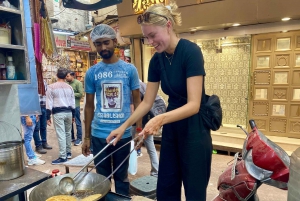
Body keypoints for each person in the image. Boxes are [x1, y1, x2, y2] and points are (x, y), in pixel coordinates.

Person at [107, 2, 212, 201]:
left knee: (195, 191)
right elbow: (146, 102)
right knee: (166, 186)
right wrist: (124, 127)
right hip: (172, 128)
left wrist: (160, 119)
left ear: (169, 25)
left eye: (153, 35)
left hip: (194, 128)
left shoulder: (191, 52)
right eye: (146, 37)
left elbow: (194, 104)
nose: (150, 41)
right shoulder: (157, 60)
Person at [82, 24, 142, 197]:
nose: (103, 48)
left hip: (122, 135)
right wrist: (86, 137)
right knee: (101, 179)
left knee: (121, 177)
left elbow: (137, 101)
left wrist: (138, 129)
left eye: (106, 42)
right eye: (98, 44)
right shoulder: (92, 73)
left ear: (115, 41)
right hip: (99, 134)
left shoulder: (129, 70)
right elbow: (89, 106)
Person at [131, 80, 165, 177]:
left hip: (142, 120)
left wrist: (138, 129)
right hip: (149, 119)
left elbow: (134, 110)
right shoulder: (141, 84)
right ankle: (156, 172)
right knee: (150, 146)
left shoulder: (134, 86)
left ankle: (123, 170)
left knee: (127, 145)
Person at [46, 67, 75, 165]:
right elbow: (73, 102)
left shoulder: (51, 87)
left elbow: (49, 102)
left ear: (57, 75)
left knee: (61, 134)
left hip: (58, 113)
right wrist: (73, 115)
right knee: (68, 133)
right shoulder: (69, 87)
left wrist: (47, 116)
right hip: (69, 112)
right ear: (66, 76)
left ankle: (63, 157)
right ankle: (68, 152)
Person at [33, 80, 52, 154]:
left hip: (44, 106)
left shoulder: (44, 82)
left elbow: (47, 95)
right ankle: (38, 145)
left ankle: (44, 142)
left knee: (43, 127)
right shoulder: (33, 82)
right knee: (36, 128)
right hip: (36, 107)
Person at [66, 71, 84, 146]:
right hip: (68, 106)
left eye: (68, 76)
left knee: (77, 122)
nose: (66, 77)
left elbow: (81, 94)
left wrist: (71, 94)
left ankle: (79, 138)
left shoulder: (78, 83)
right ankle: (72, 137)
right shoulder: (67, 84)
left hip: (75, 106)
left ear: (73, 76)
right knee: (69, 122)